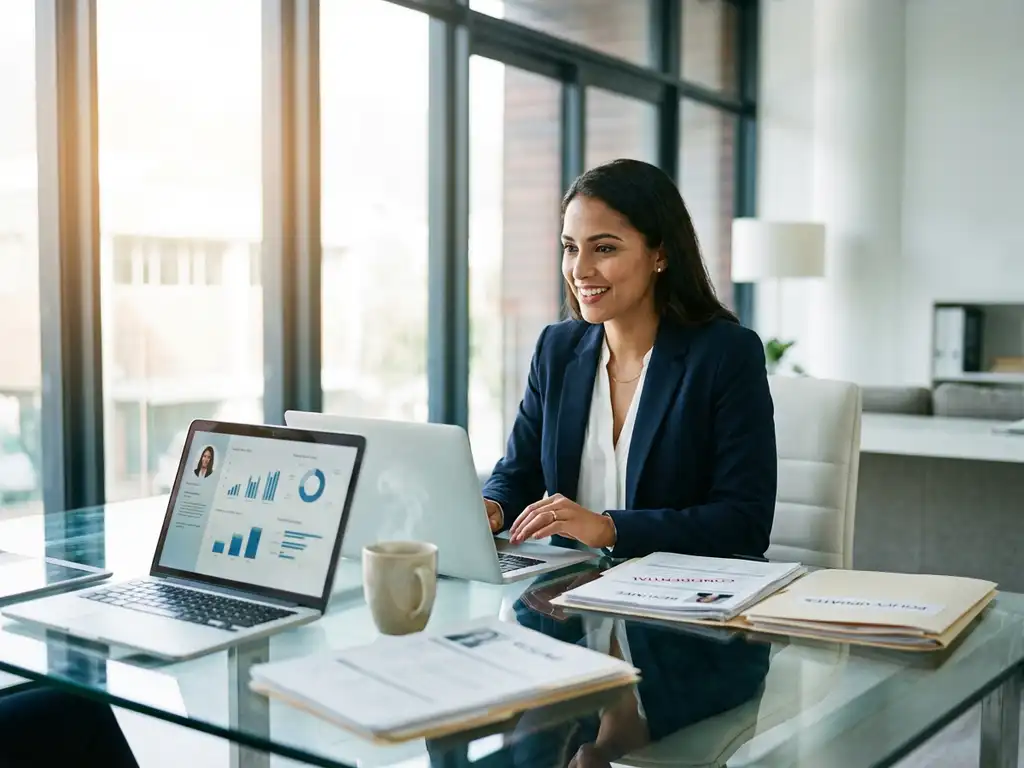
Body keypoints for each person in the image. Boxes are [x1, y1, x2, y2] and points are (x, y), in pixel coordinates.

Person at [482, 159, 777, 560]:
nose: (580, 269)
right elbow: (519, 474)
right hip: (570, 600)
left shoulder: (726, 354)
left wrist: (609, 529)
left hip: (677, 601)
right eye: (571, 248)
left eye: (604, 248)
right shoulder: (557, 349)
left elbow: (745, 523)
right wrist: (492, 509)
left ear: (661, 253)